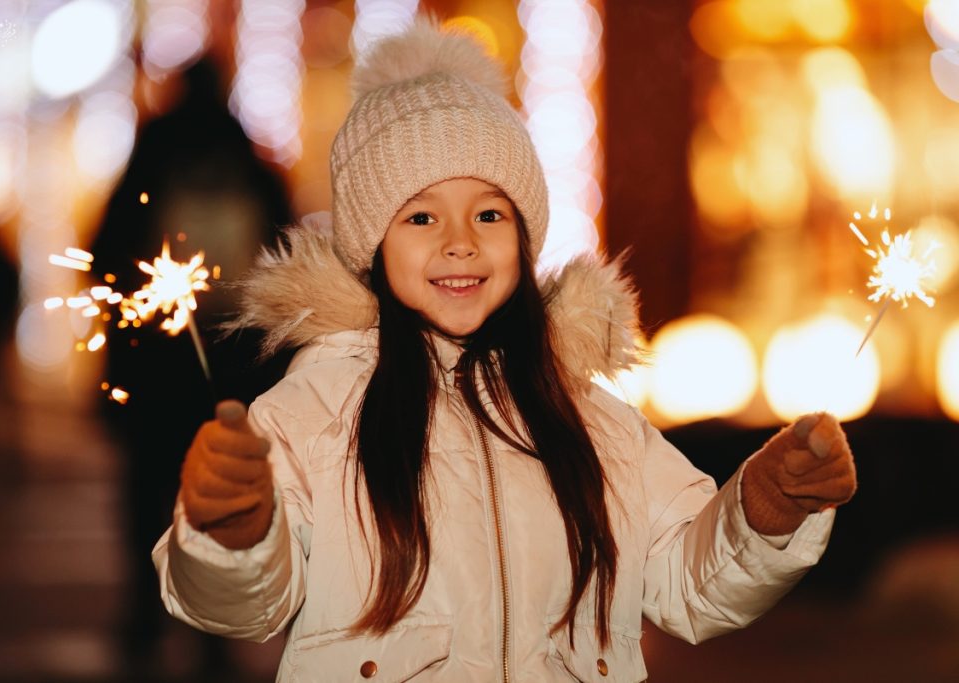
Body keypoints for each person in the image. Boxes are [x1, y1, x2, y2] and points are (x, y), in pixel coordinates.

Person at [152, 18, 857, 682]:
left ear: (525, 234)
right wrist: (234, 531)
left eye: (490, 213)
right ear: (372, 243)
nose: (459, 240)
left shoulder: (587, 415)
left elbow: (686, 583)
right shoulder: (316, 410)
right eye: (421, 216)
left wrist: (765, 508)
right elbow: (243, 608)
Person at [91, 57, 294, 674]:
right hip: (228, 363)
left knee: (147, 487)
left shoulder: (151, 154)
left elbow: (105, 248)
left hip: (156, 357)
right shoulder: (250, 163)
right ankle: (209, 627)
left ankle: (147, 613)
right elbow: (285, 258)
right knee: (218, 486)